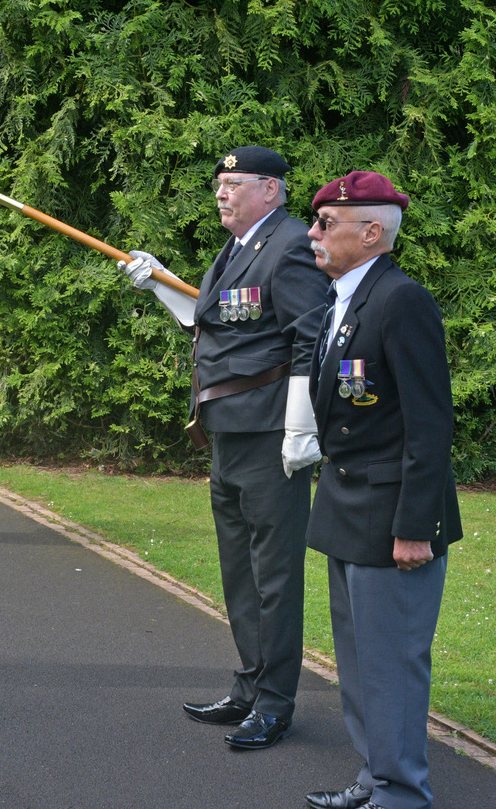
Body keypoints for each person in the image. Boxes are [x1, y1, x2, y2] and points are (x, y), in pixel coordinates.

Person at [119, 146, 329, 750]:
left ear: (272, 189)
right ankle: (248, 686)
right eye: (219, 183)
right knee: (240, 572)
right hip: (229, 433)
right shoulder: (235, 251)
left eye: (234, 183)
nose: (222, 192)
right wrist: (159, 281)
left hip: (269, 436)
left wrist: (299, 429)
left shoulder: (289, 244)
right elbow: (208, 321)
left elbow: (307, 340)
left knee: (275, 576)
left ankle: (276, 703)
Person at [300, 171, 462, 809]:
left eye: (324, 224)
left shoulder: (401, 301)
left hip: (394, 516)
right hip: (348, 506)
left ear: (371, 233)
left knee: (391, 665)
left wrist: (415, 525)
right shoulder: (342, 300)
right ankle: (376, 780)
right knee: (362, 665)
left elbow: (430, 422)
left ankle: (400, 794)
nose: (312, 233)